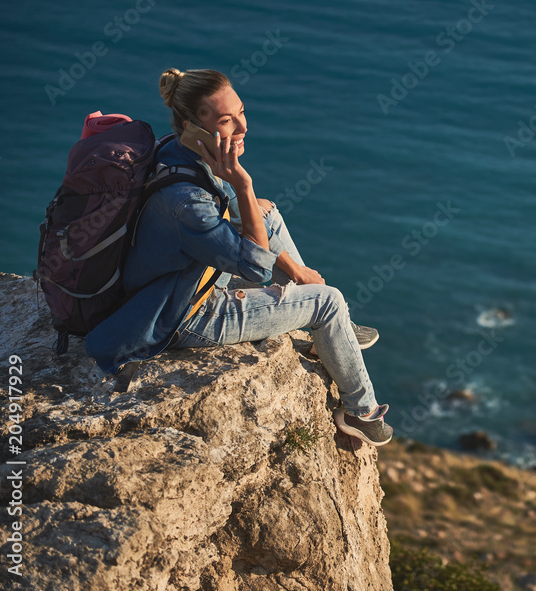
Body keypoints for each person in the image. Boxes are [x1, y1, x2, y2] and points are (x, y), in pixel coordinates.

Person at [84, 68, 391, 446]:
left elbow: (230, 213)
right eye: (227, 120)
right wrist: (243, 183)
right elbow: (256, 267)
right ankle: (361, 412)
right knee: (329, 302)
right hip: (182, 313)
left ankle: (328, 332)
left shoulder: (175, 149)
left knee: (267, 213)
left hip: (181, 278)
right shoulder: (186, 204)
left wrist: (294, 268)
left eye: (241, 112)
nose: (243, 127)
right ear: (191, 124)